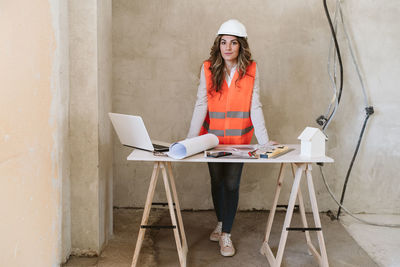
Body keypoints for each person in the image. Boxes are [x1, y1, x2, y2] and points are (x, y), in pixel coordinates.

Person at [187, 19, 275, 257]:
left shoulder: (251, 70)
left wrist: (264, 141)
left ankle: (226, 234)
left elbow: (255, 106)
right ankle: (221, 222)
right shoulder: (208, 68)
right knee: (216, 183)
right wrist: (190, 141)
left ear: (241, 46)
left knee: (231, 184)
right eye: (224, 42)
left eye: (233, 43)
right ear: (218, 45)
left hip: (239, 141)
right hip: (211, 140)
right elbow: (201, 105)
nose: (228, 47)